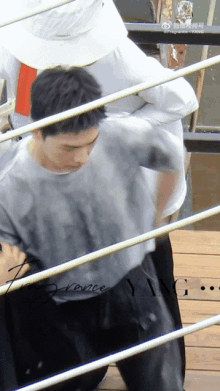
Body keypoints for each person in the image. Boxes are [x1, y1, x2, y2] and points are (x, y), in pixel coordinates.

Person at [0, 0, 198, 387]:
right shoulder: (11, 47)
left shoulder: (118, 56)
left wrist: (107, 137)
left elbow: (183, 99)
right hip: (54, 186)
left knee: (143, 285)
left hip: (117, 194)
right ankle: (79, 367)